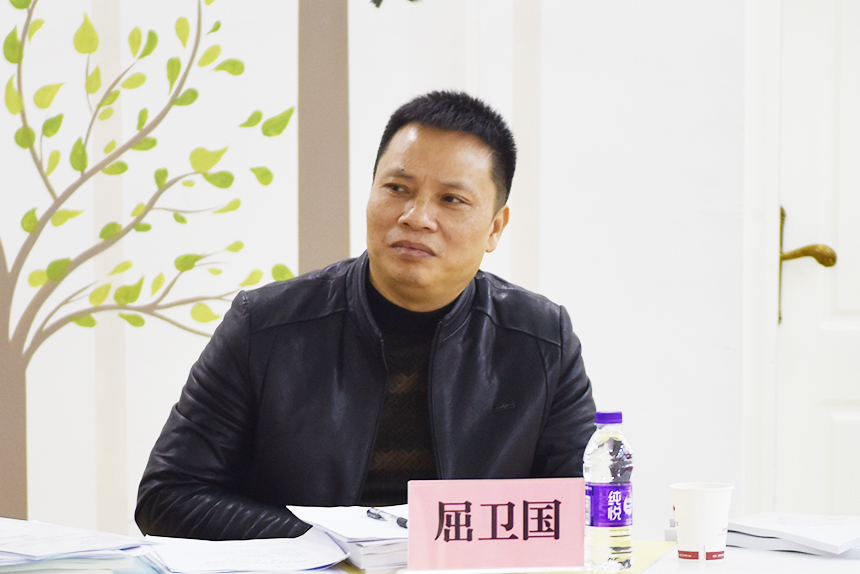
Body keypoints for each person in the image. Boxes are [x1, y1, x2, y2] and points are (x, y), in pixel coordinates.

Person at [135, 91, 596, 540]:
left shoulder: (542, 340)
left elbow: (581, 510)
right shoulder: (265, 326)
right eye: (397, 189)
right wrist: (335, 545)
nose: (416, 217)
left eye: (451, 200)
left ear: (495, 227)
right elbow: (169, 495)